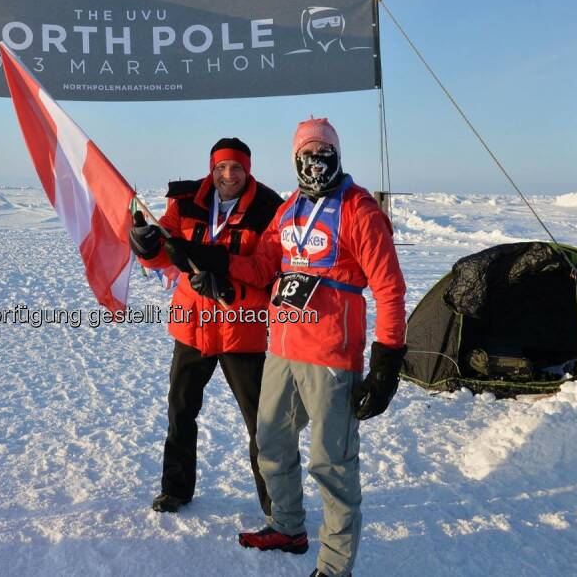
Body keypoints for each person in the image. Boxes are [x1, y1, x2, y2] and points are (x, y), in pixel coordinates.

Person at [165, 118, 406, 577]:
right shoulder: (290, 208)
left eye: (323, 151)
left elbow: (389, 290)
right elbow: (260, 268)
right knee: (271, 444)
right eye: (306, 152)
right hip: (282, 348)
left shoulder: (359, 210)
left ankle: (335, 566)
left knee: (330, 462)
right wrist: (217, 264)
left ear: (336, 154)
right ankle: (289, 527)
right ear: (295, 158)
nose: (315, 161)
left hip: (332, 355)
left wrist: (386, 363)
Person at [129, 138, 284, 516]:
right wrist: (145, 246)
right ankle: (175, 490)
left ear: (248, 169)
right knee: (180, 412)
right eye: (220, 168)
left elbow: (268, 275)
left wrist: (229, 286)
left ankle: (278, 504)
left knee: (262, 423)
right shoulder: (184, 202)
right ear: (211, 168)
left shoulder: (269, 209)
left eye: (235, 168)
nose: (227, 175)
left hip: (241, 328)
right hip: (192, 326)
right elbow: (165, 250)